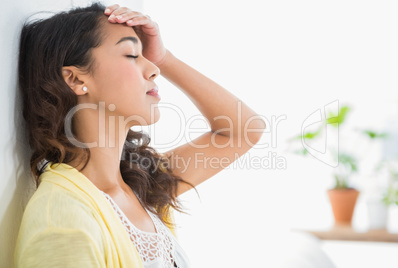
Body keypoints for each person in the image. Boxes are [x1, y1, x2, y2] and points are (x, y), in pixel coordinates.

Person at [14, 2, 266, 267]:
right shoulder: (62, 222)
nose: (154, 69)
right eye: (132, 54)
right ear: (76, 80)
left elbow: (244, 131)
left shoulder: (143, 184)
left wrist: (166, 58)